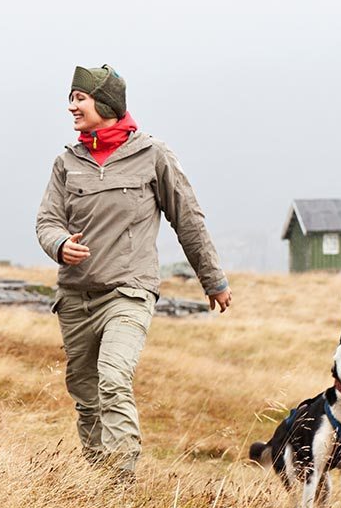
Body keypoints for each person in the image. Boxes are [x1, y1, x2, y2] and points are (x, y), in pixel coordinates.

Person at [35, 65, 230, 483]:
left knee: (113, 379)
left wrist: (212, 280)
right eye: (71, 97)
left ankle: (121, 483)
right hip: (75, 298)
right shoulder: (66, 163)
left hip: (129, 292)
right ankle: (97, 480)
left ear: (105, 103)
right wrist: (59, 245)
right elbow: (47, 221)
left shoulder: (151, 154)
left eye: (79, 98)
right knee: (86, 396)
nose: (71, 106)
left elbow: (188, 219)